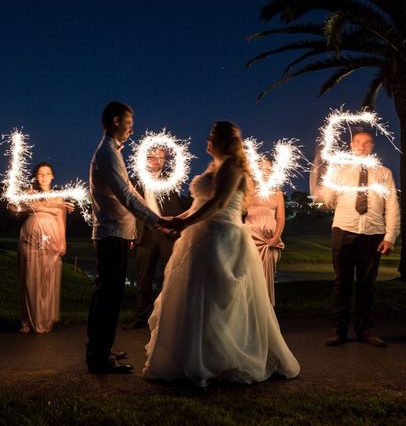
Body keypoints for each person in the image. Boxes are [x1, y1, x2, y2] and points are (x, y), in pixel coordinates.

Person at [143, 121, 300, 387]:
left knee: (218, 299)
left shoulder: (232, 166)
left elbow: (218, 203)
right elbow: (200, 203)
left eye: (213, 135)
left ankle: (222, 359)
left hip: (221, 238)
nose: (208, 138)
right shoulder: (215, 166)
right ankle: (195, 356)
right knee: (196, 296)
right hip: (201, 236)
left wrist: (183, 224)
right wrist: (175, 218)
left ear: (224, 141)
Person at [86, 101, 170, 374]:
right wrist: (156, 221)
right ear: (114, 122)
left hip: (118, 233)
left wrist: (155, 218)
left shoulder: (114, 152)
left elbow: (131, 191)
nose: (132, 129)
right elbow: (124, 194)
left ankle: (101, 348)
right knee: (108, 295)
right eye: (128, 123)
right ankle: (99, 357)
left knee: (107, 293)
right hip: (112, 233)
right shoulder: (108, 154)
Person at [310, 129, 400, 348]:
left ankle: (364, 329)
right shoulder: (339, 171)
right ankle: (338, 330)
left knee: (367, 284)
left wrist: (390, 236)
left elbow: (393, 206)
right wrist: (317, 177)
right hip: (344, 229)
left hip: (373, 233)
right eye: (358, 142)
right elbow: (328, 201)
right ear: (351, 145)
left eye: (366, 143)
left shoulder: (384, 173)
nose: (361, 146)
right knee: (342, 281)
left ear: (372, 147)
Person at [123, 147, 186, 330]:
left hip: (166, 232)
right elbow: (132, 209)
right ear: (146, 159)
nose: (156, 160)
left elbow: (176, 204)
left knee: (172, 273)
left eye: (161, 157)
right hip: (146, 232)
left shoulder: (171, 179)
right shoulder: (136, 181)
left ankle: (171, 316)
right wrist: (133, 233)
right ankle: (141, 316)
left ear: (165, 160)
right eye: (152, 156)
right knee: (143, 277)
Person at [9, 162, 75, 334]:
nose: (44, 176)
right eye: (41, 173)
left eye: (47, 173)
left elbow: (62, 221)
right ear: (36, 176)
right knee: (29, 280)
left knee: (46, 281)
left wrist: (63, 243)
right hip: (29, 241)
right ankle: (26, 320)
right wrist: (52, 207)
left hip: (51, 242)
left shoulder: (59, 197)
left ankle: (42, 320)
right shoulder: (29, 193)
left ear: (53, 176)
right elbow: (15, 207)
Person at [245, 157, 285, 307]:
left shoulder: (277, 192)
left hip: (269, 241)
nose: (266, 172)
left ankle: (265, 312)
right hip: (249, 239)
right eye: (262, 168)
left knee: (265, 278)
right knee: (250, 276)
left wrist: (276, 238)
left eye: (269, 169)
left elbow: (280, 218)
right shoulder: (248, 190)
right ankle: (250, 312)